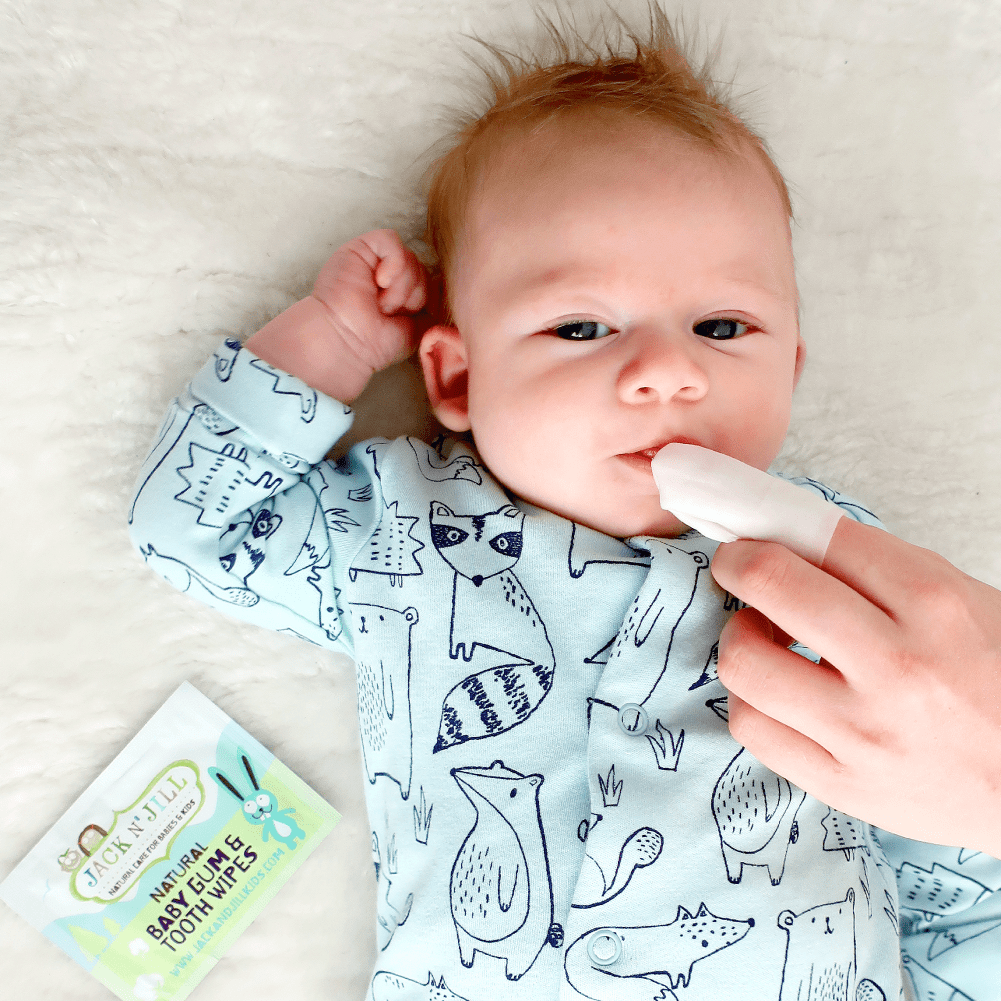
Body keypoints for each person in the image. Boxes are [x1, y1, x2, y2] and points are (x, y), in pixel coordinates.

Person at [127, 7, 1001, 1000]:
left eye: (722, 327)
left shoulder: (836, 568)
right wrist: (331, 342)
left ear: (790, 369)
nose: (666, 371)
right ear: (457, 378)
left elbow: (952, 835)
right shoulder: (403, 537)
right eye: (581, 327)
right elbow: (193, 529)